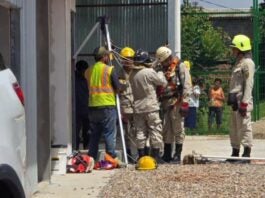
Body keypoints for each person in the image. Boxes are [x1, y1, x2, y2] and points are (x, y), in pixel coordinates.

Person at [129, 49, 167, 163]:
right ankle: (155, 156)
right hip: (151, 107)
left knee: (140, 132)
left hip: (138, 108)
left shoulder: (132, 74)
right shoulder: (149, 72)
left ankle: (141, 156)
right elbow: (162, 82)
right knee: (155, 130)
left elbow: (146, 69)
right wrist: (160, 72)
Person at [85, 46, 122, 164]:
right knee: (109, 133)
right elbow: (118, 87)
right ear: (104, 57)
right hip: (107, 105)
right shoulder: (109, 69)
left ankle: (91, 157)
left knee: (94, 134)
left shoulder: (88, 71)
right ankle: (111, 157)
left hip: (92, 106)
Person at [156, 46, 192, 163]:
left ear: (168, 58)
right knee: (166, 129)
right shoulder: (163, 69)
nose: (163, 64)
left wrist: (185, 103)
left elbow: (187, 85)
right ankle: (167, 154)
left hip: (177, 102)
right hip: (166, 103)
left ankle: (177, 154)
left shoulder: (180, 66)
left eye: (163, 61)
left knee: (178, 129)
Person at [227, 34, 255, 160]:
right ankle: (235, 152)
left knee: (244, 127)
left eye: (235, 48)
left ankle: (246, 153)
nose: (232, 50)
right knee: (234, 128)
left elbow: (249, 85)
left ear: (241, 48)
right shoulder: (238, 63)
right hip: (234, 102)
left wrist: (244, 103)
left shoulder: (247, 63)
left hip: (242, 102)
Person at [118, 46, 136, 163]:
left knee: (138, 132)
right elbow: (120, 90)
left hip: (138, 106)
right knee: (127, 133)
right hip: (125, 107)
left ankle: (139, 154)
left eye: (130, 59)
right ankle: (129, 154)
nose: (128, 61)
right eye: (125, 59)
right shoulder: (119, 73)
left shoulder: (137, 72)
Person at [75, 60, 90, 150]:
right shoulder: (73, 79)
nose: (84, 72)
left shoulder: (86, 79)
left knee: (87, 132)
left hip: (86, 109)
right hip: (77, 110)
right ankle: (75, 148)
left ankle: (86, 148)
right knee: (76, 132)